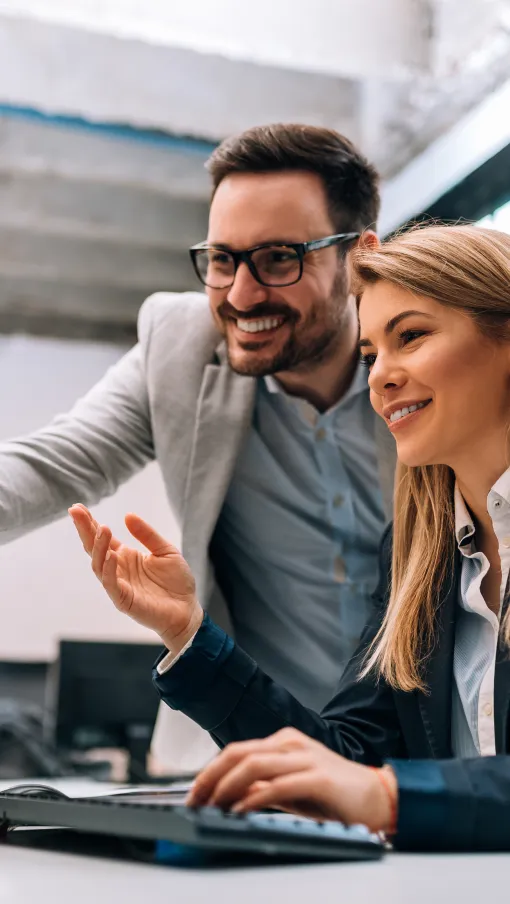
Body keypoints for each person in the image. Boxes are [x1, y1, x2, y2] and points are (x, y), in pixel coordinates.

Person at [70, 223, 510, 850]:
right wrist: (189, 635)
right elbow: (346, 762)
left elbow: (375, 788)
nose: (380, 378)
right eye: (371, 355)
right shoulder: (418, 555)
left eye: (411, 336)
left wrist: (390, 798)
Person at [0, 123, 396, 768]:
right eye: (221, 259)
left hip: (427, 750)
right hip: (251, 748)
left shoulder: (428, 360)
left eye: (279, 258)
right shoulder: (180, 348)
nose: (240, 294)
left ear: (360, 256)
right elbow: (51, 465)